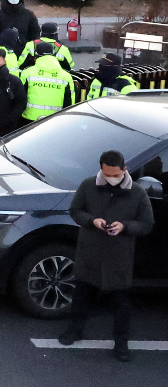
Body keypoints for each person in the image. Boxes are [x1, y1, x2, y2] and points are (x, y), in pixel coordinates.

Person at [58, 150, 156, 362]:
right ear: (101, 169)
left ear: (124, 170)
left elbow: (147, 224)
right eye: (107, 174)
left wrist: (125, 226)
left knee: (121, 303)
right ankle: (74, 330)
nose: (111, 179)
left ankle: (121, 343)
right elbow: (75, 211)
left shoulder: (138, 193)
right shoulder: (88, 185)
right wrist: (92, 221)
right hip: (90, 252)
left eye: (116, 175)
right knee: (81, 294)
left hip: (119, 257)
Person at [19, 40, 75, 124]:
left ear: (36, 55)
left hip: (29, 120)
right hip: (55, 121)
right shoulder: (66, 76)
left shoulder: (27, 73)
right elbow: (70, 102)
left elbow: (20, 98)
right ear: (53, 54)